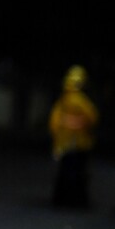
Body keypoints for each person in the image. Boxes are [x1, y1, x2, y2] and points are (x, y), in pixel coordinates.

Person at [48, 64, 98, 209]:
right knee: (76, 172)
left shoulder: (65, 100)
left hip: (69, 143)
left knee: (67, 171)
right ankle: (75, 200)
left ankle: (64, 199)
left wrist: (60, 132)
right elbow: (93, 117)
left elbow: (54, 121)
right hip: (78, 143)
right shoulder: (81, 101)